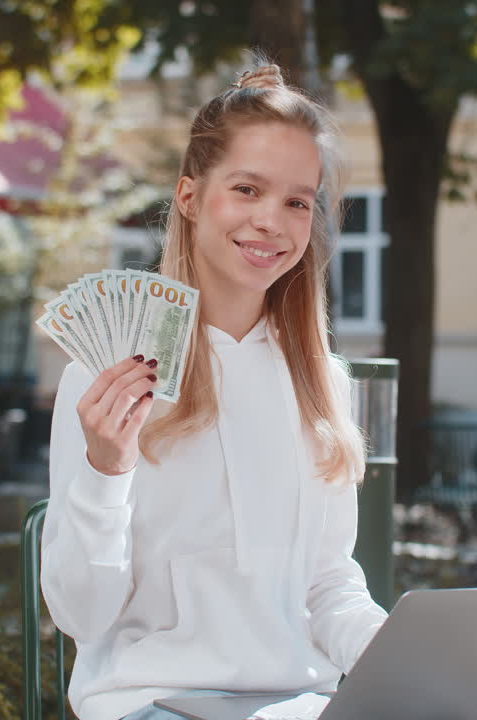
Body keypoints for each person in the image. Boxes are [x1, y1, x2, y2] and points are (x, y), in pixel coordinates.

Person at [39, 60, 388, 720]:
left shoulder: (324, 387)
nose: (272, 222)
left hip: (300, 705)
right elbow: (80, 614)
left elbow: (327, 584)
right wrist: (106, 471)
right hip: (151, 703)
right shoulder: (110, 371)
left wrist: (411, 663)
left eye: (296, 201)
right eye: (247, 189)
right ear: (191, 197)